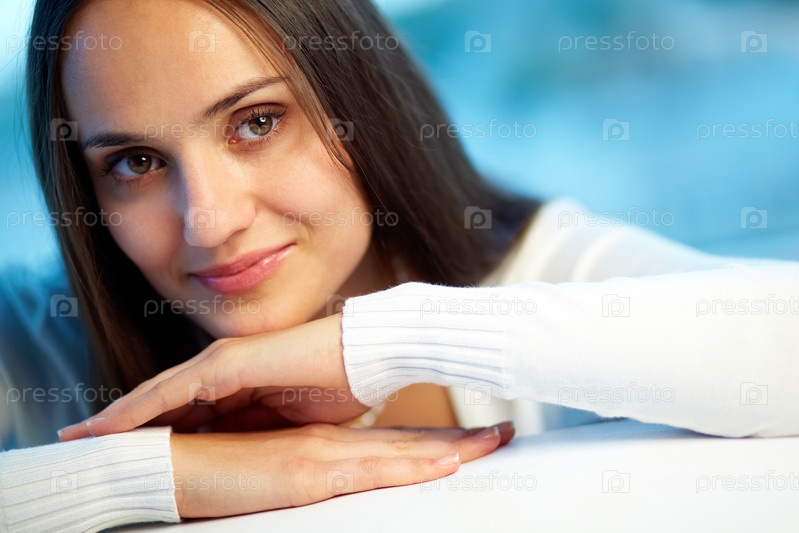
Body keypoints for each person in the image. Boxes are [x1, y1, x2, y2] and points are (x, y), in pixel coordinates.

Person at [4, 0, 799, 530]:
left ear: (362, 104)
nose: (209, 220)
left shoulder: (547, 270)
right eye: (136, 162)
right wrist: (155, 473)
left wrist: (372, 346)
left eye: (257, 122)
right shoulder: (36, 341)